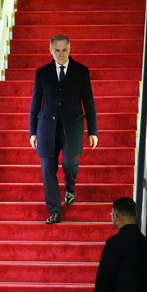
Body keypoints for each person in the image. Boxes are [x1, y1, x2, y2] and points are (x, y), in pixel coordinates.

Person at [29, 35, 98, 224]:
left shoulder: (81, 71)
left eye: (64, 50)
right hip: (46, 127)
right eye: (57, 50)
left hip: (72, 126)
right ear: (50, 51)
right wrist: (32, 132)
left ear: (70, 49)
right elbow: (35, 103)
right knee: (47, 170)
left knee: (70, 163)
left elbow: (88, 101)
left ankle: (69, 188)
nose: (61, 54)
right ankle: (54, 211)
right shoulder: (42, 72)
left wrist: (93, 131)